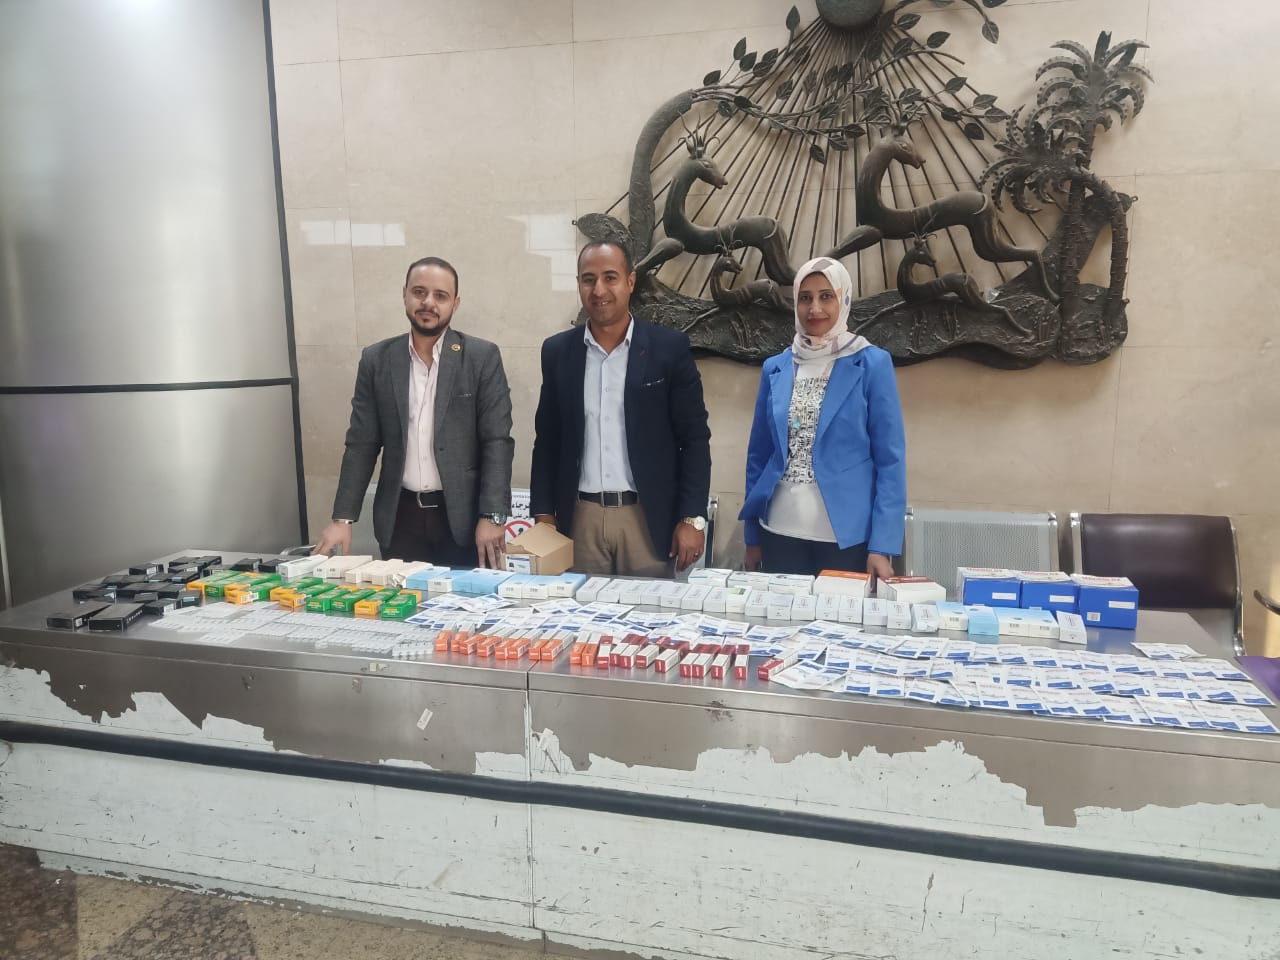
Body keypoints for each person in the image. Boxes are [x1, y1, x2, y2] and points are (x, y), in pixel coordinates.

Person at [315, 256, 514, 568]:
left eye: (440, 295)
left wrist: (492, 515)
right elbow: (361, 444)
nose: (428, 303)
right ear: (405, 294)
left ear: (455, 303)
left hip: (462, 519)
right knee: (402, 598)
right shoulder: (377, 359)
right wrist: (343, 518)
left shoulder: (481, 357)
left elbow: (497, 441)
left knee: (463, 597)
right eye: (419, 292)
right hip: (400, 519)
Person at [530, 240, 711, 576]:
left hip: (647, 518)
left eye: (610, 277)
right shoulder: (557, 352)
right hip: (579, 519)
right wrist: (543, 514)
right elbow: (547, 441)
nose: (599, 290)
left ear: (630, 281)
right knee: (579, 609)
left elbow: (695, 440)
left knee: (648, 610)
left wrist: (692, 518)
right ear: (579, 284)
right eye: (588, 279)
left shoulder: (668, 349)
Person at [740, 256, 906, 580]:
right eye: (805, 297)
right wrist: (752, 536)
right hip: (778, 531)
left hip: (846, 538)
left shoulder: (871, 364)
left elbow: (891, 461)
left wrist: (882, 545)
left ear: (844, 300)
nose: (814, 308)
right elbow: (758, 457)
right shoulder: (776, 367)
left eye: (826, 296)